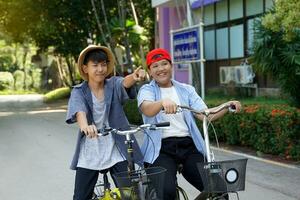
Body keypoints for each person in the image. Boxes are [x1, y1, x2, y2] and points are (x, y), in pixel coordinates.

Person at [137, 48, 242, 200]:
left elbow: (205, 114)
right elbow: (147, 109)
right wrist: (162, 102)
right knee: (167, 192)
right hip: (160, 149)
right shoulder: (147, 90)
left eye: (164, 64)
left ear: (171, 66)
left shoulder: (186, 89)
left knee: (218, 189)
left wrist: (227, 105)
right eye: (155, 66)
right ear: (150, 71)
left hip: (188, 146)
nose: (161, 69)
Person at [66, 45, 145, 200]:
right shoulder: (79, 91)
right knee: (80, 197)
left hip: (116, 146)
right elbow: (79, 111)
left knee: (130, 194)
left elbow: (124, 83)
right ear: (85, 68)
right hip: (90, 148)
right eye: (95, 65)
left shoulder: (113, 84)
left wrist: (134, 77)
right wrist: (85, 127)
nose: (100, 69)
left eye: (103, 64)